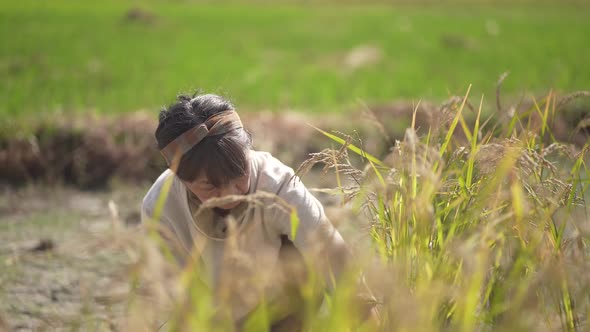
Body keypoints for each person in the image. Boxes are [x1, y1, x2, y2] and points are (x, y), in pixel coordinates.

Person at [141, 93, 351, 330]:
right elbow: (176, 296)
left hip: (283, 310)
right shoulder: (160, 207)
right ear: (181, 178)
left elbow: (335, 259)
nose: (232, 192)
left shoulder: (278, 184)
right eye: (211, 186)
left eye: (239, 174)